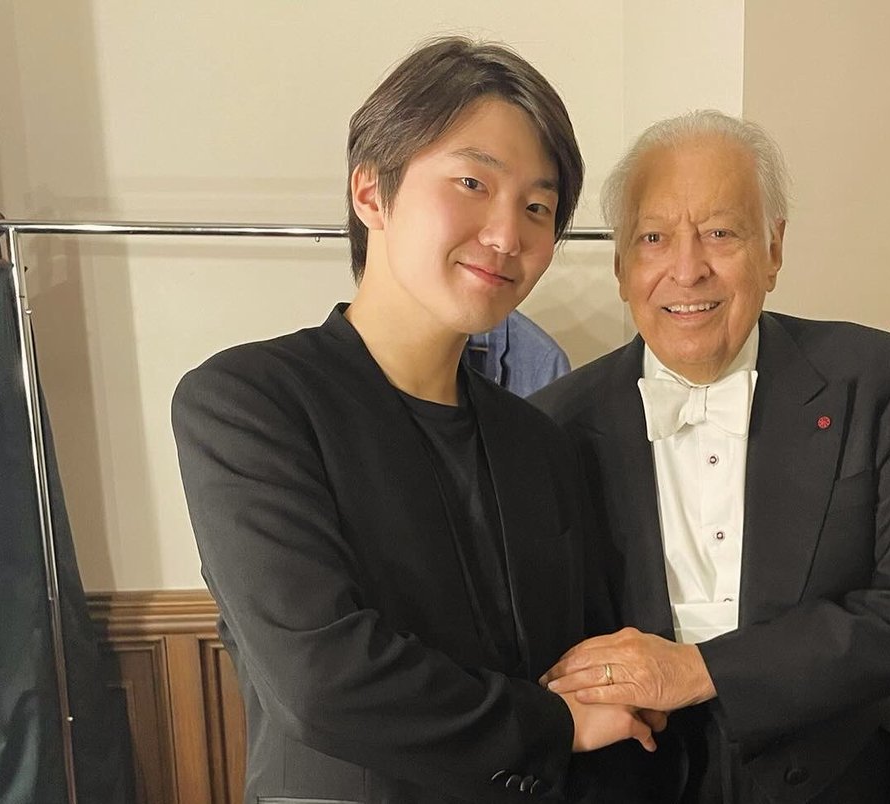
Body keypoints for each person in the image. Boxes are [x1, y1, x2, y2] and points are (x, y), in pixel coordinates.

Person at [172, 38, 659, 804]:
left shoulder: (540, 439)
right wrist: (554, 724)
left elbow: (578, 661)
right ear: (372, 192)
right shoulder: (249, 401)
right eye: (473, 182)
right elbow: (323, 681)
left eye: (537, 207)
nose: (507, 235)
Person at [532, 110, 890, 803]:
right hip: (630, 778)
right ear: (622, 265)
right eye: (654, 237)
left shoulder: (876, 378)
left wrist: (703, 670)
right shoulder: (551, 423)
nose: (687, 268)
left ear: (773, 249)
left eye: (720, 232)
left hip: (836, 780)